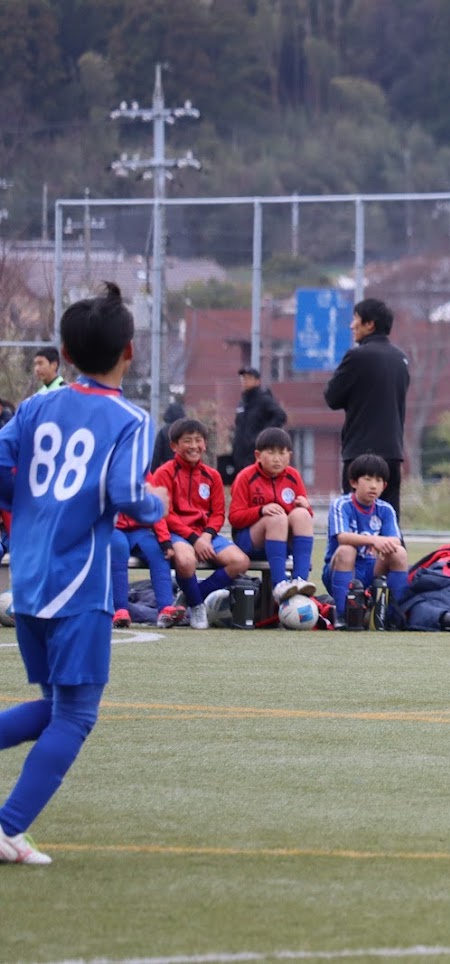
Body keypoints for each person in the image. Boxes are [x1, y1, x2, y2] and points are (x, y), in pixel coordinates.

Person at [0, 281, 168, 865]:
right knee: (75, 715)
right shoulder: (130, 418)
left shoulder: (35, 406)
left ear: (65, 355)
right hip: (78, 586)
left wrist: (28, 503)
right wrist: (155, 505)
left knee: (54, 708)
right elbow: (125, 491)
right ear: (130, 351)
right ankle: (8, 826)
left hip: (27, 582)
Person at [150, 418, 251, 629]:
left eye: (198, 440)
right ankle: (197, 606)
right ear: (174, 446)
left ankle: (191, 596)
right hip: (177, 534)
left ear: (205, 444)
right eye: (188, 441)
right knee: (186, 561)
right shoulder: (164, 473)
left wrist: (205, 536)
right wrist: (194, 538)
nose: (194, 446)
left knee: (240, 561)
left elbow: (218, 513)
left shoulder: (212, 475)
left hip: (205, 535)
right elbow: (166, 514)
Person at [324, 298, 410, 522]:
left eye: (356, 319)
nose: (352, 325)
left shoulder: (357, 356)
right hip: (392, 452)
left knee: (356, 520)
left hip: (361, 452)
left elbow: (332, 398)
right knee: (389, 520)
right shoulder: (401, 359)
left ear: (369, 324)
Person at [229, 427, 317, 605]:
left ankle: (300, 580)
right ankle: (279, 584)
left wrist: (307, 508)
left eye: (282, 453)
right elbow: (235, 517)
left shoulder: (293, 476)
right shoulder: (246, 477)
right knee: (277, 517)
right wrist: (261, 510)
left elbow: (306, 516)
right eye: (271, 453)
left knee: (301, 514)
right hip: (250, 543)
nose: (277, 459)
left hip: (282, 543)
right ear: (258, 455)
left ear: (289, 456)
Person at [322, 453, 409, 609]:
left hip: (373, 569)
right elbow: (342, 537)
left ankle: (394, 614)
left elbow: (396, 540)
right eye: (368, 479)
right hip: (341, 569)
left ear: (384, 486)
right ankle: (342, 615)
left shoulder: (386, 509)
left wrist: (384, 544)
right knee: (347, 550)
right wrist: (374, 540)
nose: (373, 485)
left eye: (378, 480)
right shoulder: (341, 504)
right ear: (354, 482)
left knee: (399, 552)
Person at [110, 502, 174, 627]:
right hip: (112, 529)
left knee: (158, 553)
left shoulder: (144, 487)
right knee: (119, 550)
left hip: (140, 529)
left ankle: (166, 609)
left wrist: (165, 540)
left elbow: (154, 506)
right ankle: (120, 610)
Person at [229, 367, 287, 484]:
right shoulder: (243, 402)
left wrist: (262, 437)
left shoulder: (263, 400)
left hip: (255, 454)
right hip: (240, 455)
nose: (245, 381)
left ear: (257, 381)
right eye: (243, 378)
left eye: (249, 378)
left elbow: (280, 416)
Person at [151, 401, 186, 474]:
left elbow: (156, 456)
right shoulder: (187, 430)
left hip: (168, 470)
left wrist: (153, 473)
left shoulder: (163, 431)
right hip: (185, 469)